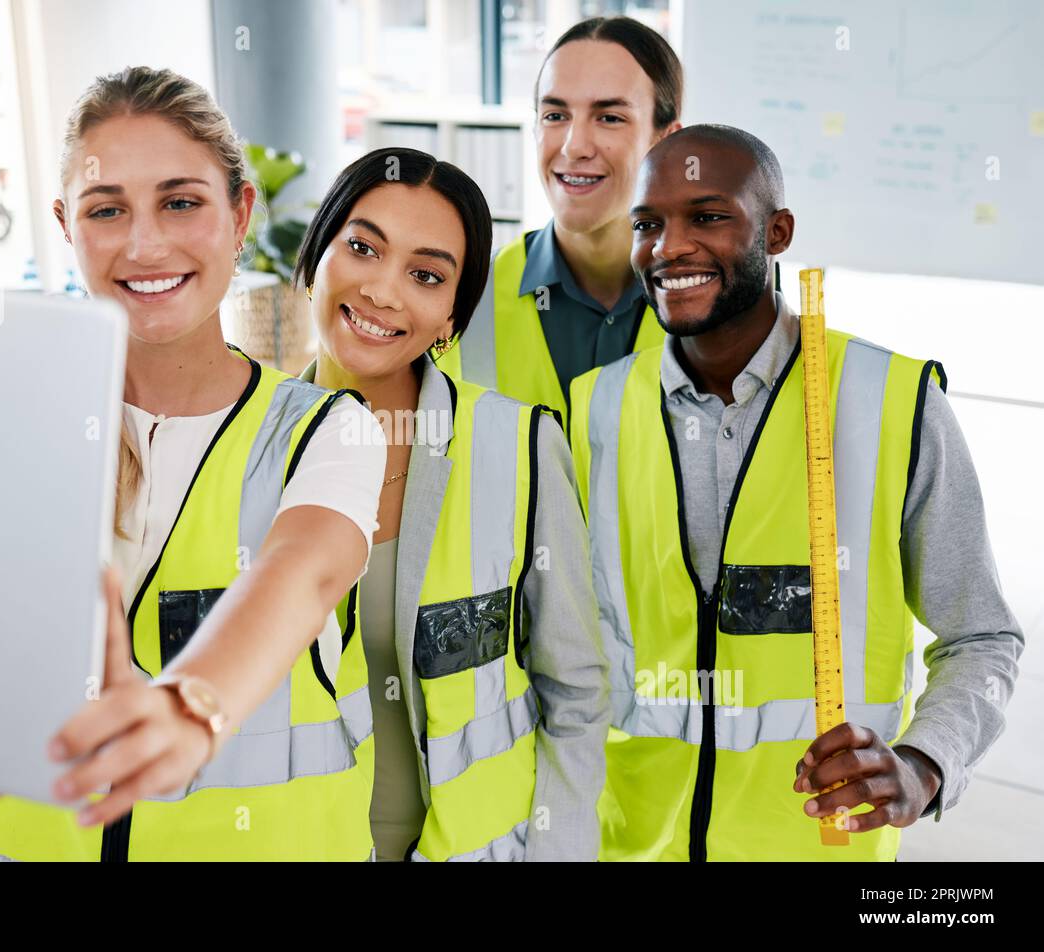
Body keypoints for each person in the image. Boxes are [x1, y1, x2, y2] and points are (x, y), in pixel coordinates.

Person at [0, 66, 388, 861]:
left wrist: (192, 707)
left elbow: (302, 576)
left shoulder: (331, 432)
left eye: (180, 201)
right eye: (106, 209)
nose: (145, 242)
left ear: (239, 212)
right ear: (66, 225)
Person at [568, 124, 1023, 861]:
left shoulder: (893, 401)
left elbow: (981, 637)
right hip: (631, 848)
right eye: (648, 224)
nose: (669, 247)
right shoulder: (590, 411)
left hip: (820, 850)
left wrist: (924, 764)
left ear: (776, 233)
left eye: (709, 217)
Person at [294, 147, 609, 861]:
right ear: (316, 256)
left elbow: (576, 686)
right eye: (362, 248)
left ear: (449, 318)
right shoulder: (242, 446)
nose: (382, 291)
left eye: (426, 275)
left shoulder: (519, 444)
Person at [439, 16, 683, 430]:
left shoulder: (713, 308)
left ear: (666, 140)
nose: (574, 147)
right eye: (555, 116)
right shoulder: (460, 297)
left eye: (609, 118)